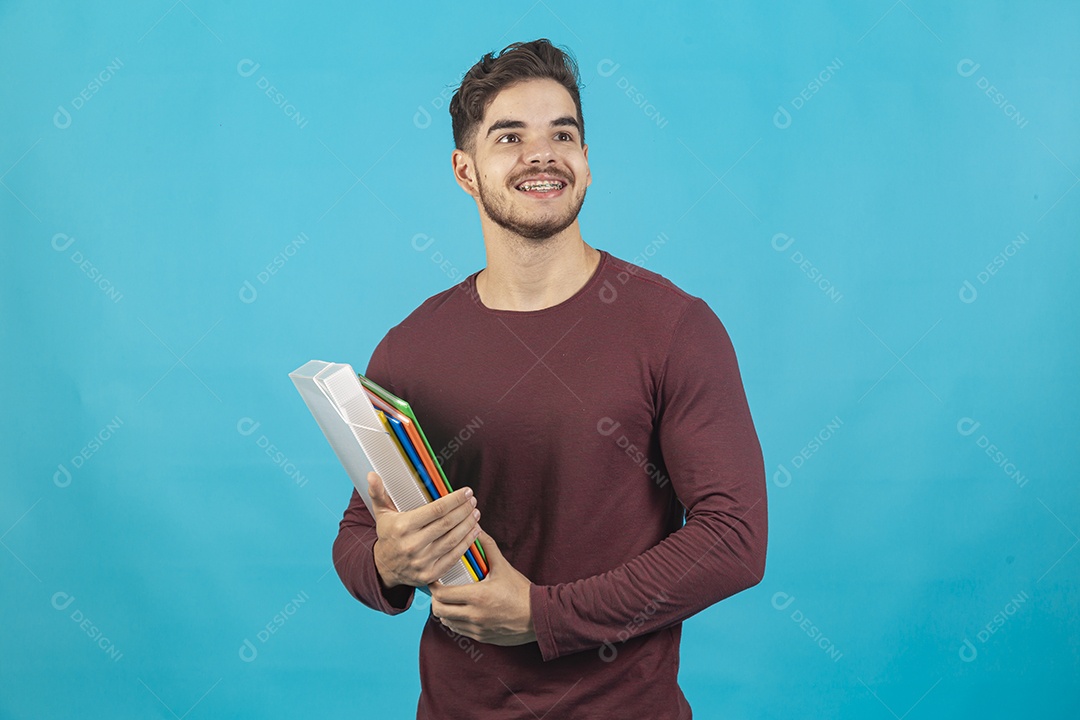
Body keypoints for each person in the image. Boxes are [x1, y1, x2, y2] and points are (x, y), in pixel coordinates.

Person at [332, 38, 768, 719]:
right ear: (465, 171)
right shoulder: (411, 347)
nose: (542, 154)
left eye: (562, 134)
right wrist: (391, 562)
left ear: (587, 164)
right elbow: (360, 537)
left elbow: (734, 539)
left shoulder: (675, 327)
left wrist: (542, 615)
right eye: (510, 136)